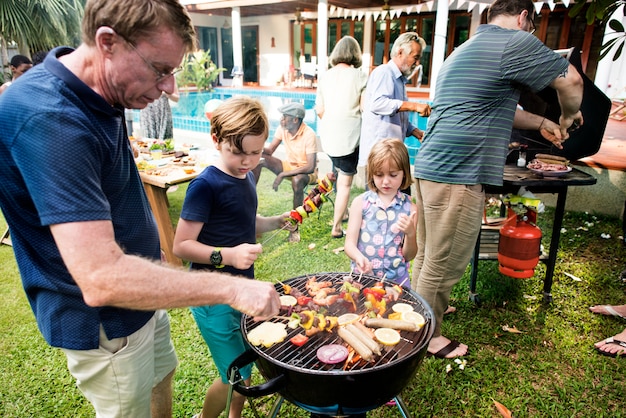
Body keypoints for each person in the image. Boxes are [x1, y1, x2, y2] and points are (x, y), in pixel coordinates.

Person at [0, 1, 281, 417]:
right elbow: (101, 278)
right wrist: (233, 286)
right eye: (160, 69)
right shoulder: (52, 119)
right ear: (107, 42)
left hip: (143, 297)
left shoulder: (98, 91)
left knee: (160, 379)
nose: (170, 87)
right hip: (105, 322)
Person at [411, 0, 584, 359]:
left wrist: (540, 123)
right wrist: (569, 116)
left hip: (430, 165)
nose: (532, 34)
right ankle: (427, 336)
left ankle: (419, 316)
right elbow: (572, 81)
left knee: (428, 255)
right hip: (459, 170)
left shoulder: (464, 50)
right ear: (523, 18)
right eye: (533, 26)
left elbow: (493, 106)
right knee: (444, 262)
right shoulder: (514, 41)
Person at [172, 97, 295, 418]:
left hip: (241, 294)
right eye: (238, 152)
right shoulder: (205, 185)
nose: (248, 161)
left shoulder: (246, 177)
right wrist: (227, 255)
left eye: (256, 153)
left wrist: (275, 221)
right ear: (216, 139)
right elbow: (182, 245)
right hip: (212, 299)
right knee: (233, 377)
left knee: (244, 368)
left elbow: (244, 223)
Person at [344, 138, 417, 286]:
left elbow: (409, 255)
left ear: (404, 173)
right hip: (364, 278)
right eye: (379, 175)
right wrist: (359, 258)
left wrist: (410, 234)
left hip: (396, 281)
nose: (385, 181)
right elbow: (349, 244)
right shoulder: (361, 203)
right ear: (371, 173)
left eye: (393, 175)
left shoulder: (411, 208)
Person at [315, 36, 368, 239]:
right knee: (345, 183)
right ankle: (336, 228)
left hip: (329, 137)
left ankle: (343, 212)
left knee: (338, 175)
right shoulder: (361, 76)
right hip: (349, 137)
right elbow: (364, 107)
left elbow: (320, 110)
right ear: (355, 54)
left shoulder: (325, 76)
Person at [358, 32, 432, 168]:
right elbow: (377, 104)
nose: (417, 63)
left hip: (391, 154)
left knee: (403, 188)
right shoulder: (384, 72)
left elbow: (396, 116)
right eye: (415, 58)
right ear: (400, 52)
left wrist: (415, 132)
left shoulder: (399, 80)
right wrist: (414, 106)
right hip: (380, 155)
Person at [252, 102, 318, 242]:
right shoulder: (283, 129)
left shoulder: (309, 134)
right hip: (289, 167)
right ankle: (250, 208)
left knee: (297, 180)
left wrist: (282, 174)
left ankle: (294, 227)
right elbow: (269, 151)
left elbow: (310, 167)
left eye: (285, 117)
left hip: (307, 173)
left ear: (295, 119)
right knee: (262, 159)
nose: (281, 119)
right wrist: (253, 146)